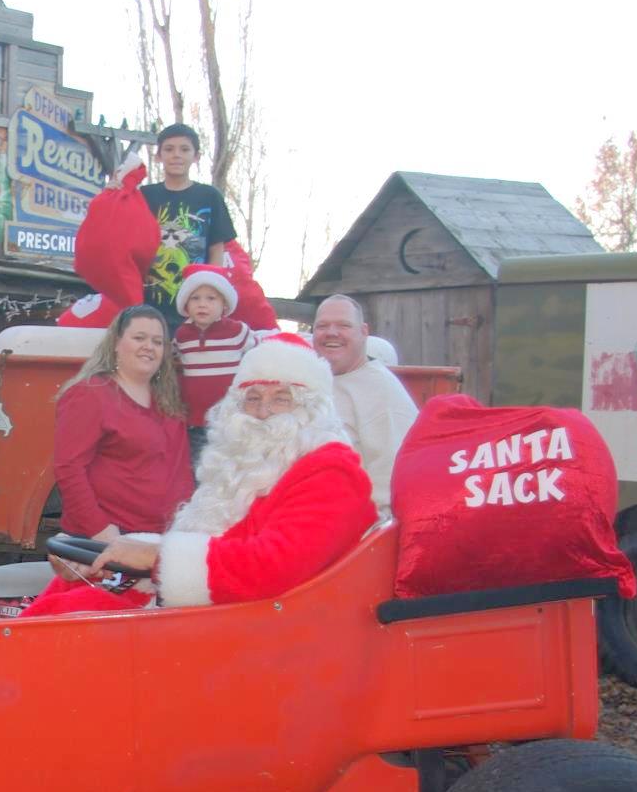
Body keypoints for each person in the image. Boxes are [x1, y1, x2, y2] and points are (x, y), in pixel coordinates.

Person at [25, 334, 375, 616]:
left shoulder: (331, 471)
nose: (263, 412)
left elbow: (275, 567)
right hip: (213, 612)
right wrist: (113, 559)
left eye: (281, 399)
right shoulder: (245, 467)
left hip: (256, 629)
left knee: (61, 622)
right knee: (67, 590)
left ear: (311, 409)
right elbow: (212, 543)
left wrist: (154, 558)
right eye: (251, 399)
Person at [50, 304, 193, 542]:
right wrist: (101, 531)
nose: (149, 346)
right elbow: (69, 468)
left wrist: (184, 529)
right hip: (109, 541)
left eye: (158, 342)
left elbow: (181, 473)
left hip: (162, 540)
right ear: (116, 343)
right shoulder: (90, 394)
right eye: (139, 338)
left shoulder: (168, 401)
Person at [311, 294, 418, 519]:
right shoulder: (309, 382)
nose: (331, 332)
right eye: (322, 326)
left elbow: (391, 486)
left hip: (348, 525)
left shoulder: (382, 393)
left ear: (364, 332)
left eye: (344, 325)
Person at [140, 123, 234, 320]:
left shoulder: (210, 196)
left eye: (184, 149)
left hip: (195, 306)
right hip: (148, 302)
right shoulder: (143, 196)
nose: (176, 155)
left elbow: (217, 249)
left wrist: (211, 295)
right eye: (169, 149)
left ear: (196, 156)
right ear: (158, 156)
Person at [169, 263, 257, 446]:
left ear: (224, 304)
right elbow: (172, 362)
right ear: (185, 304)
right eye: (195, 298)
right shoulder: (182, 335)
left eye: (211, 298)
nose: (202, 304)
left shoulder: (237, 331)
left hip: (231, 415)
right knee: (197, 463)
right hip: (195, 419)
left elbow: (259, 354)